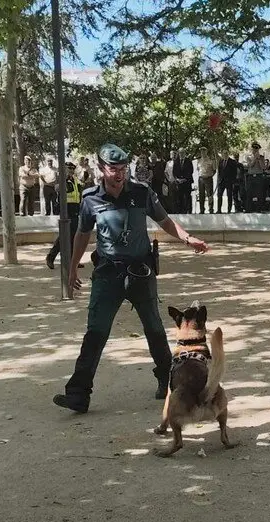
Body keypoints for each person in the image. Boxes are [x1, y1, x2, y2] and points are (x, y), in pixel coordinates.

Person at [53, 144, 209, 414]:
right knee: (95, 334)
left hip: (140, 273)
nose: (119, 174)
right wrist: (72, 268)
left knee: (155, 330)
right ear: (101, 168)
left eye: (123, 169)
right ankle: (78, 394)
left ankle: (168, 381)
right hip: (107, 275)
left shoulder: (141, 192)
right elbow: (81, 234)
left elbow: (165, 221)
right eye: (114, 169)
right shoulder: (90, 199)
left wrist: (187, 238)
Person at [46, 162, 83, 270]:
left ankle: (72, 260)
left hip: (75, 208)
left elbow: (79, 188)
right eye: (69, 168)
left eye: (72, 169)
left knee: (73, 236)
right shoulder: (61, 178)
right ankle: (50, 257)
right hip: (66, 209)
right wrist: (64, 181)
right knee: (64, 235)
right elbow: (57, 188)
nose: (71, 170)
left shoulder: (74, 179)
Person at [244, 142, 266, 212]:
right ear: (252, 149)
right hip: (251, 176)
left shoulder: (261, 157)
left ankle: (259, 209)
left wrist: (259, 159)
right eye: (254, 149)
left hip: (259, 176)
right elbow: (250, 165)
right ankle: (248, 209)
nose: (256, 150)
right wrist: (254, 158)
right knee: (249, 192)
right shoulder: (249, 157)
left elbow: (263, 167)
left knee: (259, 193)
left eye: (257, 149)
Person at [172, 149, 194, 214]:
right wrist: (177, 179)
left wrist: (185, 179)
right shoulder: (176, 161)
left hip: (187, 182)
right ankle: (181, 211)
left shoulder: (188, 161)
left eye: (182, 152)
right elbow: (174, 172)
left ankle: (189, 211)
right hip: (179, 182)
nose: (181, 154)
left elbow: (191, 171)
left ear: (185, 153)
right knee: (179, 197)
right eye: (180, 152)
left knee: (187, 197)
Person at [197, 147, 217, 214]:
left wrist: (209, 175)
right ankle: (202, 209)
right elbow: (198, 169)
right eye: (201, 151)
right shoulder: (199, 160)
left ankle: (211, 209)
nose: (202, 152)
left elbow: (214, 170)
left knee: (210, 194)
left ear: (206, 151)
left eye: (204, 151)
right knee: (201, 195)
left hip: (208, 178)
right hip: (201, 179)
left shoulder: (210, 160)